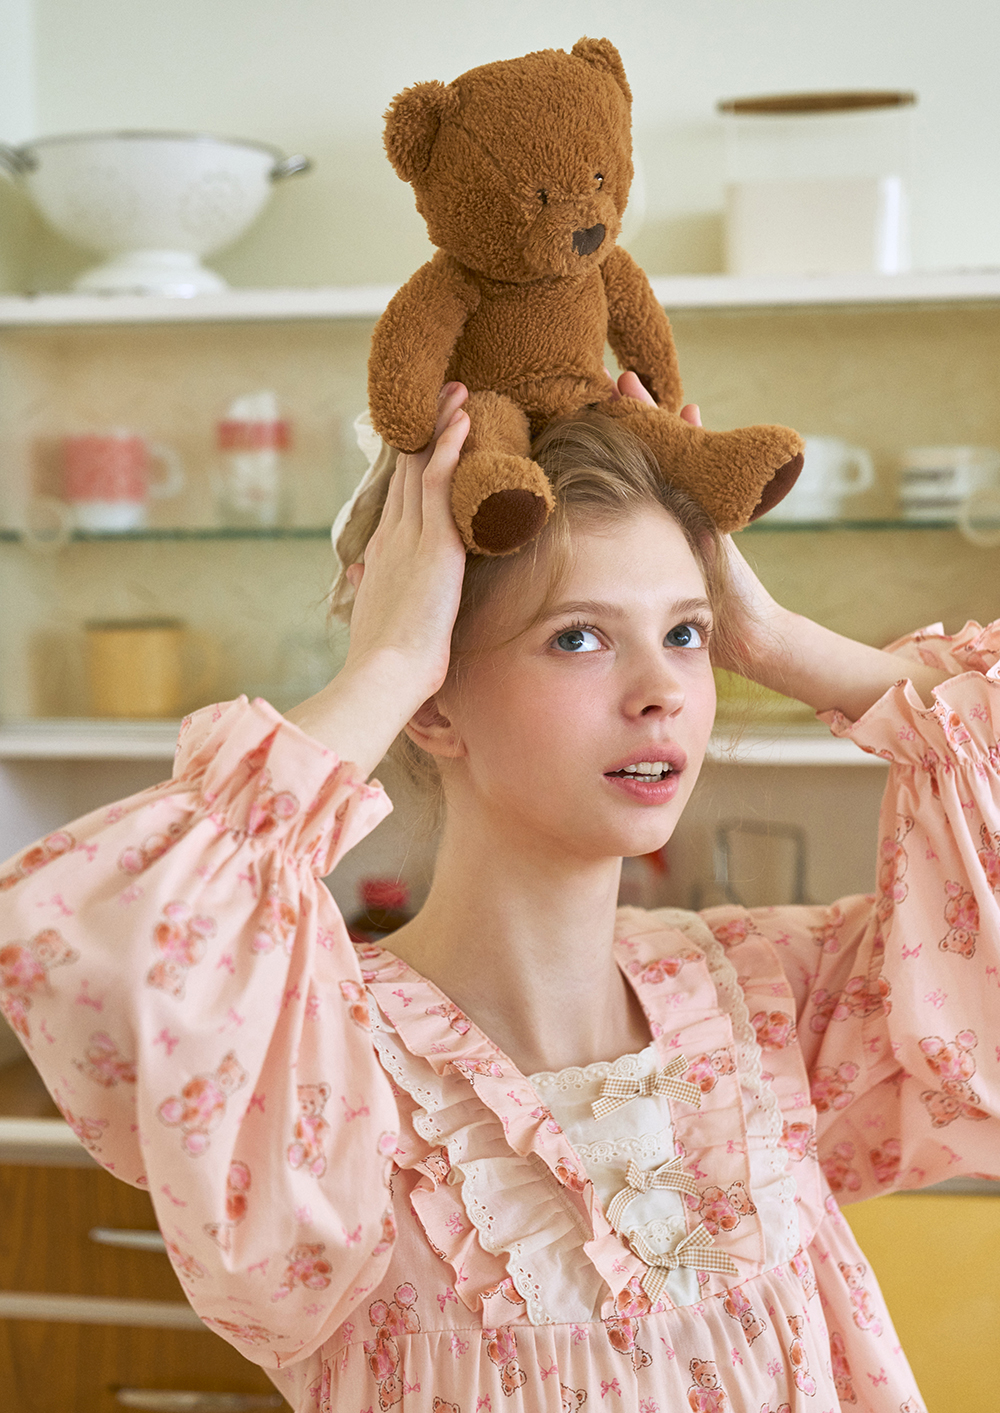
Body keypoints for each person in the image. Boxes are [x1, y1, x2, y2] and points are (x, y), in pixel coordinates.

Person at [1, 376, 997, 1413]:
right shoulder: (324, 1084)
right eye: (578, 636)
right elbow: (80, 937)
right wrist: (390, 661)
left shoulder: (773, 1007)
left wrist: (778, 635)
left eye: (687, 635)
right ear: (435, 705)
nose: (661, 691)